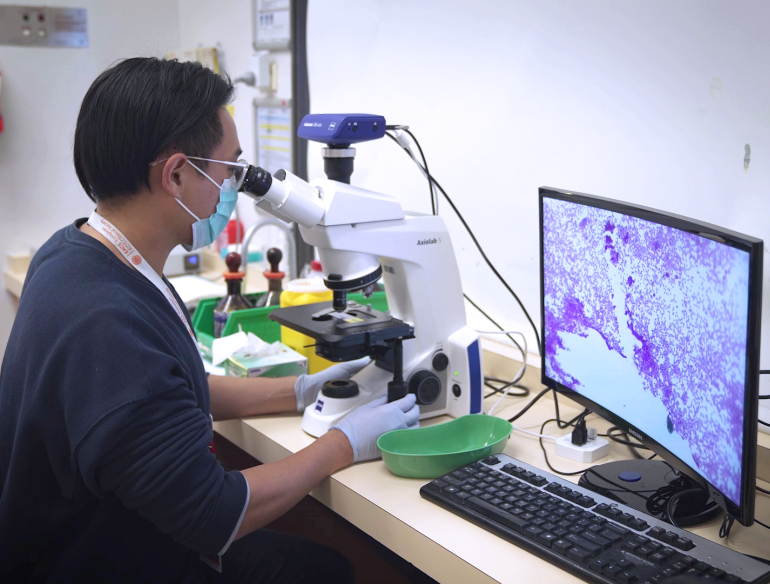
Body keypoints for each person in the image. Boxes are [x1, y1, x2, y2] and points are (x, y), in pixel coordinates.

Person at [0, 57, 420, 583]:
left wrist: (299, 390)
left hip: (105, 533)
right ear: (177, 174)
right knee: (326, 571)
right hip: (99, 562)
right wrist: (344, 443)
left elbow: (165, 388)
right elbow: (215, 515)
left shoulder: (78, 253)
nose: (233, 187)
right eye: (230, 170)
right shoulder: (105, 323)